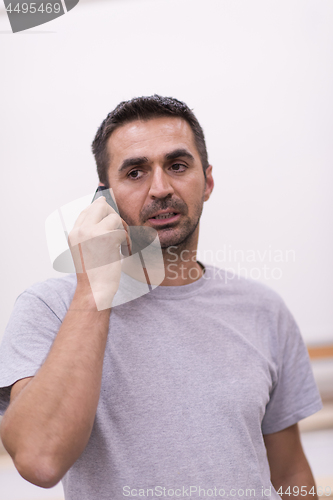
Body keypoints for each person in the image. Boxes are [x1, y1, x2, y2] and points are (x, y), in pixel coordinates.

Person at [0, 95, 322, 500]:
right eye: (135, 172)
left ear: (206, 182)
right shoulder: (47, 308)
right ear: (105, 198)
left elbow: (290, 473)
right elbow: (38, 459)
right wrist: (92, 291)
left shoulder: (263, 309)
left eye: (177, 166)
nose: (160, 188)